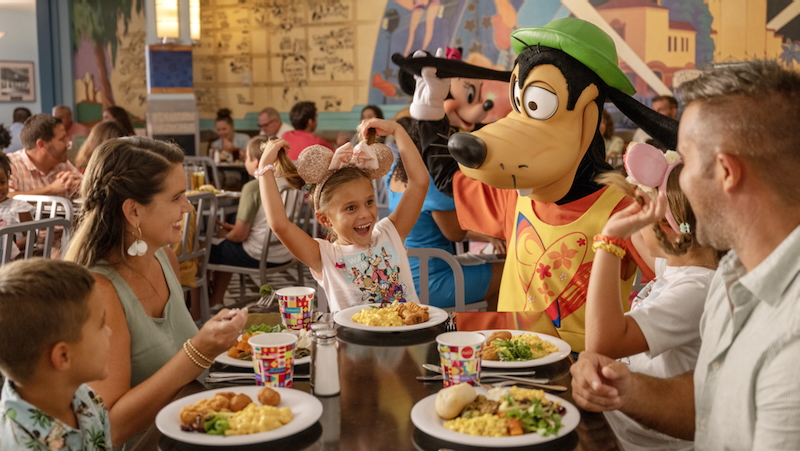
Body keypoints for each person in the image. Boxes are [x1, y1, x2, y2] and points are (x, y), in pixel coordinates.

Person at [570, 61, 800, 450]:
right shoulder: (733, 272)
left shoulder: (791, 336)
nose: (679, 182)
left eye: (687, 162)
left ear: (726, 172)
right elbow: (711, 404)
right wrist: (624, 386)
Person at [65, 137, 247, 448]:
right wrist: (199, 350)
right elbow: (112, 428)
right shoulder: (99, 290)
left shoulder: (164, 257)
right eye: (177, 197)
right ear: (133, 211)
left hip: (191, 429)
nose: (188, 207)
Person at [588, 149, 718, 450]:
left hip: (644, 442)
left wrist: (608, 241)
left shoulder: (696, 291)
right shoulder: (682, 267)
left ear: (669, 233)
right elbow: (643, 238)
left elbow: (603, 342)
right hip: (623, 425)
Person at [259, 118, 428, 311]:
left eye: (369, 202)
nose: (365, 214)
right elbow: (280, 224)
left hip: (409, 336)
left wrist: (398, 131)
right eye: (350, 208)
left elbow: (419, 183)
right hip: (354, 341)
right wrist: (265, 169)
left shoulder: (390, 234)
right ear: (324, 219)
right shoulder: (324, 256)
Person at [387, 117, 503, 310]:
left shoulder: (395, 175)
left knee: (493, 261)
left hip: (405, 278)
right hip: (430, 281)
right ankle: (490, 331)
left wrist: (489, 237)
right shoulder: (430, 182)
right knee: (509, 272)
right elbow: (455, 233)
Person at [0, 259, 112, 451]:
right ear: (63, 357)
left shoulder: (88, 399)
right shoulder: (16, 445)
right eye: (101, 325)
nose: (109, 332)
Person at [208, 135, 292, 308]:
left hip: (259, 254)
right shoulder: (290, 182)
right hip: (287, 251)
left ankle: (212, 302)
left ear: (255, 162)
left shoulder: (254, 186)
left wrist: (225, 233)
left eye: (246, 157)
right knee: (224, 243)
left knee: (211, 248)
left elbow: (239, 236)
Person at [9, 114, 82, 197]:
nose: (68, 144)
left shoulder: (63, 164)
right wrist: (50, 189)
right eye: (62, 139)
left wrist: (81, 185)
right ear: (41, 144)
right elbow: (5, 197)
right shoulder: (11, 164)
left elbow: (89, 187)